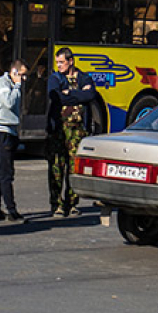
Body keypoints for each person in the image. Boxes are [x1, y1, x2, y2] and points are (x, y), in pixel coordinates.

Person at [46, 47, 96, 217]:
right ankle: (57, 205)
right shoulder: (55, 78)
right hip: (59, 130)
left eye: (62, 62)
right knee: (56, 168)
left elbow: (90, 95)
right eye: (57, 62)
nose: (59, 65)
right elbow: (55, 97)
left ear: (71, 61)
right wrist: (78, 94)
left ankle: (72, 203)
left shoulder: (83, 77)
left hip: (78, 131)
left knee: (74, 168)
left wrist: (70, 93)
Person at [0, 59, 29, 223]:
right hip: (1, 133)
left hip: (9, 132)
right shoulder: (2, 83)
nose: (24, 79)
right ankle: (12, 211)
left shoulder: (11, 84)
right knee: (6, 174)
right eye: (22, 75)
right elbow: (9, 103)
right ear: (14, 72)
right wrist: (17, 86)